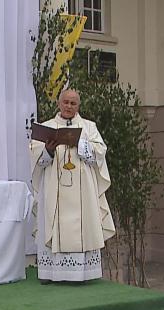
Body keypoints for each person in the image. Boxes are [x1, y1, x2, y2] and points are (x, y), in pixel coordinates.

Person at [30, 89, 115, 283]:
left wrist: (80, 143)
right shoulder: (47, 127)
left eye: (73, 103)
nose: (69, 106)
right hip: (54, 188)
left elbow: (99, 154)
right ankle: (52, 273)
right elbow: (37, 162)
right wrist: (48, 151)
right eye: (66, 102)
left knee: (83, 223)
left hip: (83, 189)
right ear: (59, 103)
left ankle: (82, 274)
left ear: (78, 105)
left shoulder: (88, 127)